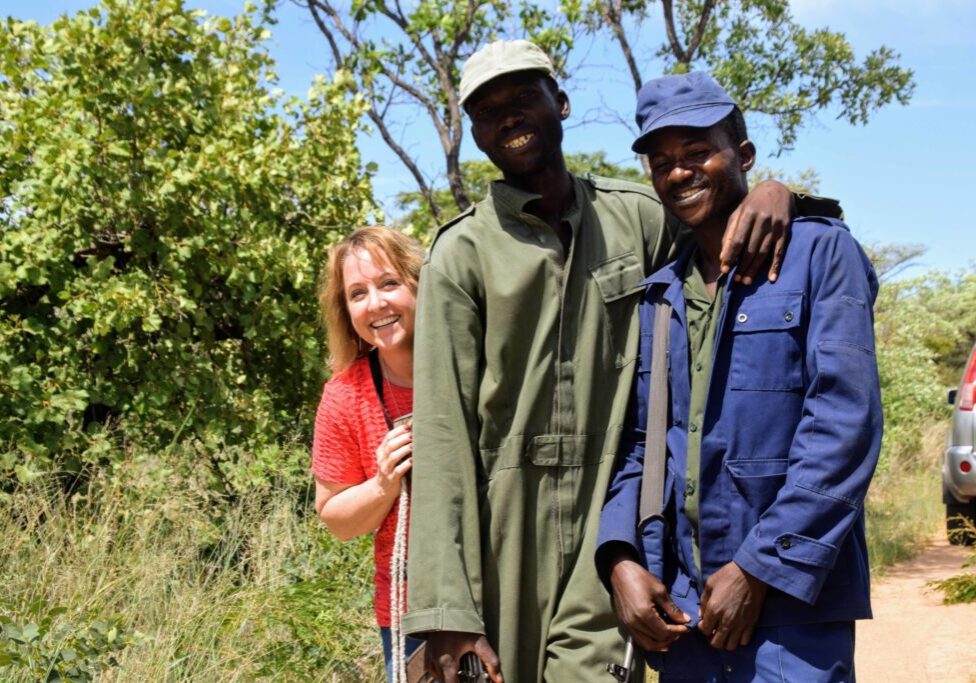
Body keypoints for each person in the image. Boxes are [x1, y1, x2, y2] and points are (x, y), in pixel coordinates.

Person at [404, 40, 840, 683]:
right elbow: (442, 434)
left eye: (525, 97)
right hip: (505, 532)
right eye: (489, 110)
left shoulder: (637, 216)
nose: (510, 117)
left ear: (562, 102)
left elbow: (720, 226)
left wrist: (777, 194)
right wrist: (446, 607)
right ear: (473, 131)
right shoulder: (460, 254)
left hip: (610, 529)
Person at [596, 72, 882, 681]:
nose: (678, 173)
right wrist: (620, 557)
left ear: (743, 156)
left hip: (792, 609)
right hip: (685, 617)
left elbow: (844, 425)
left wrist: (757, 569)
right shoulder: (660, 297)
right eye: (662, 161)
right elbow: (641, 446)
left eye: (697, 151)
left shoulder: (820, 255)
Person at [311, 226, 426, 682]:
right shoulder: (345, 396)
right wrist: (383, 484)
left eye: (389, 283)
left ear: (420, 284)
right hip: (410, 613)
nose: (375, 304)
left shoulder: (477, 366)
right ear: (346, 311)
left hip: (501, 592)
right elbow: (336, 519)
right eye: (357, 293)